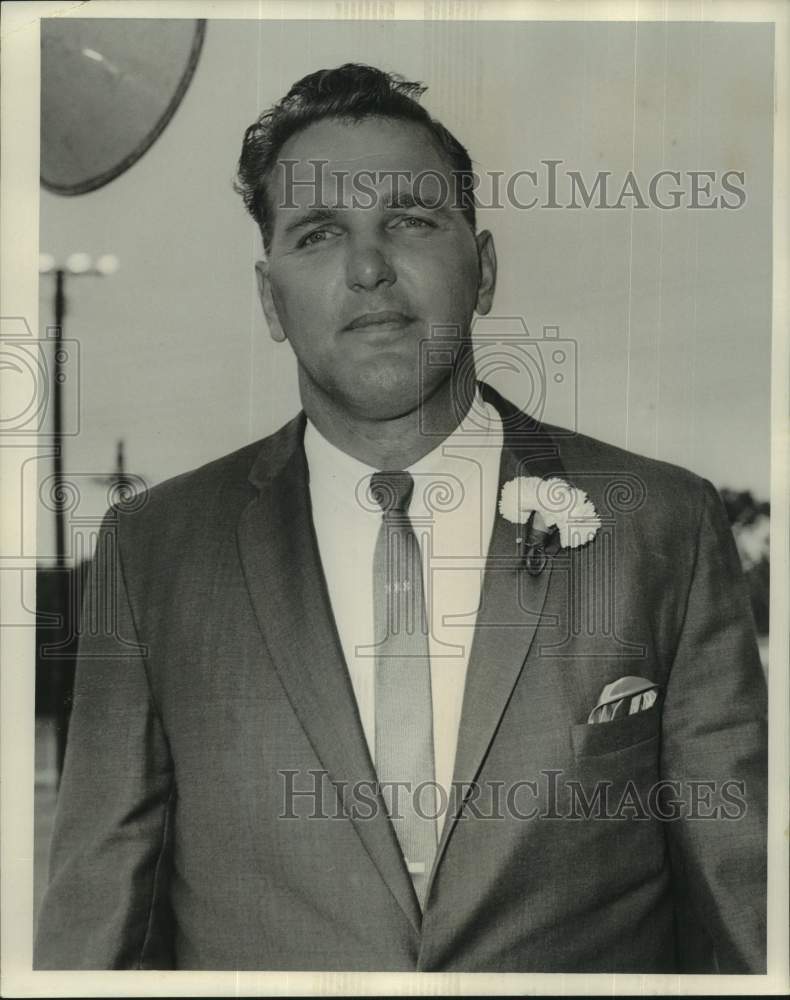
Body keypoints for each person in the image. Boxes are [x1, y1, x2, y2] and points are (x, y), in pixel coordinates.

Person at [35, 63, 767, 973]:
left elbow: (750, 914)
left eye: (411, 220)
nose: (369, 267)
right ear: (270, 299)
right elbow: (95, 936)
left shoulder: (663, 524)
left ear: (484, 268)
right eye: (318, 233)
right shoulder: (155, 554)